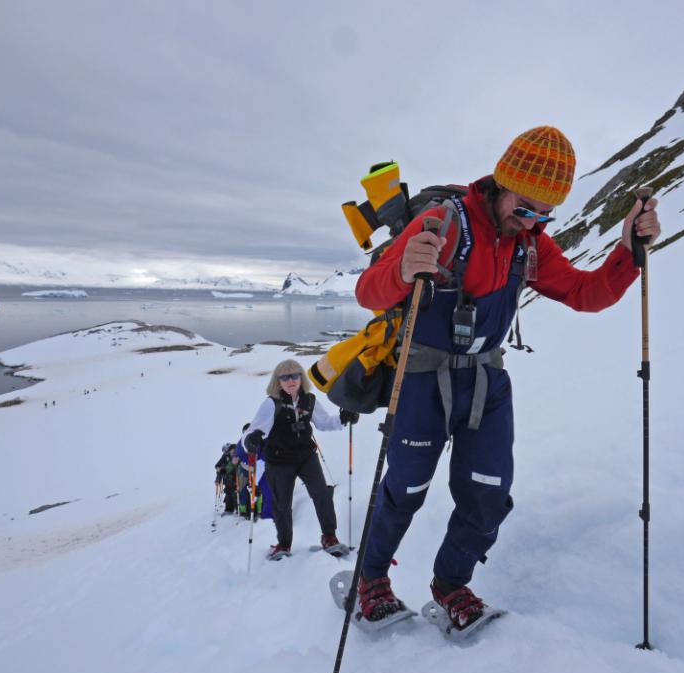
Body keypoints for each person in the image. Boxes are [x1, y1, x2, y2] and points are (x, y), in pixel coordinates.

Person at [352, 126, 661, 630]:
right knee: (405, 489)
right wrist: (404, 270)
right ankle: (371, 579)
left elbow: (587, 294)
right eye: (525, 206)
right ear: (502, 181)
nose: (532, 219)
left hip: (486, 384)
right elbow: (369, 292)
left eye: (544, 212)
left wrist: (628, 250)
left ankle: (451, 583)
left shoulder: (531, 245)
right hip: (423, 379)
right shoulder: (442, 223)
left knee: (488, 492)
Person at [243, 359, 358, 560]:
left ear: (301, 378)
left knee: (322, 494)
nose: (290, 381)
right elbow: (254, 431)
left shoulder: (309, 400)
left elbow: (324, 423)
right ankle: (284, 544)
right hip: (279, 461)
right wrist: (251, 440)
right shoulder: (271, 404)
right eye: (285, 377)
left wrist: (343, 419)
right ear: (278, 381)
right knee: (282, 505)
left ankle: (329, 537)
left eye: (295, 375)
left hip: (306, 456)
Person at [214, 443, 238, 514]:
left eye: (226, 450)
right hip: (227, 478)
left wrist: (223, 468)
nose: (226, 452)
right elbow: (218, 465)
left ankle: (237, 509)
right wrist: (219, 470)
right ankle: (229, 509)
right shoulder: (225, 456)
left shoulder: (236, 454)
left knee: (235, 493)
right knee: (228, 492)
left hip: (236, 478)